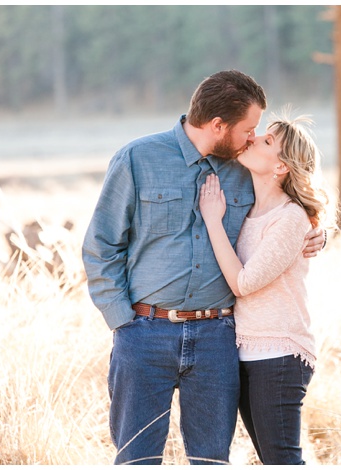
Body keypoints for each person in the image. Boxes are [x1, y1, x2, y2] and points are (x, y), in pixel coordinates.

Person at [81, 70, 326, 465]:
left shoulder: (244, 169)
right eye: (248, 128)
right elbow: (101, 245)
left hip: (218, 338)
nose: (252, 137)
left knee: (212, 461)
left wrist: (317, 234)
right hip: (145, 334)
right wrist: (122, 322)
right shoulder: (138, 159)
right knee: (136, 459)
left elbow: (288, 204)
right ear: (217, 125)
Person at [199, 112, 336, 465]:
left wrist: (213, 220)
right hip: (247, 351)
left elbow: (243, 283)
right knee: (270, 458)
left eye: (268, 141)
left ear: (281, 168)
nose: (255, 138)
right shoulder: (250, 205)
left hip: (279, 353)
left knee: (282, 459)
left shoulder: (289, 217)